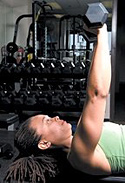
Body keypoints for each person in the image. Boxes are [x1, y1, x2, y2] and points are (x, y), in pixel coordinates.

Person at [4, 23, 117, 183]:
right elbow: (97, 94)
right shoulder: (79, 153)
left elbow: (90, 90)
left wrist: (97, 43)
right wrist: (101, 33)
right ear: (44, 143)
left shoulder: (78, 138)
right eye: (48, 121)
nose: (56, 117)